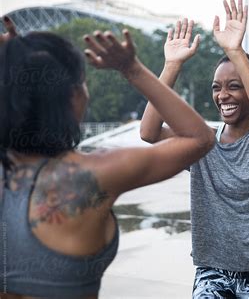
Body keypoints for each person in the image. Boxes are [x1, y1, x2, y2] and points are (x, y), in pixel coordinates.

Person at [0, 16, 214, 298]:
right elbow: (198, 138)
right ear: (73, 96)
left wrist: (12, 70)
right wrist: (131, 68)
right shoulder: (92, 175)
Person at [140, 0, 249, 298]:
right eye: (217, 87)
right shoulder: (201, 141)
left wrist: (235, 51)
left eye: (234, 86)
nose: (223, 95)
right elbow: (149, 132)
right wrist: (171, 66)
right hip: (212, 272)